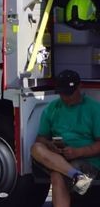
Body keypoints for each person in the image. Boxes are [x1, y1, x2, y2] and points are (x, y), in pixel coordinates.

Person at [31, 69, 100, 205]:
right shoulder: (52, 108)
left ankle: (76, 175)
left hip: (87, 161)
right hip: (58, 158)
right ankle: (76, 176)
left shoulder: (94, 108)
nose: (65, 98)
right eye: (62, 94)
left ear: (79, 87)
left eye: (69, 93)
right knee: (36, 147)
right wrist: (50, 145)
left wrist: (77, 152)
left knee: (57, 176)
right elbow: (40, 139)